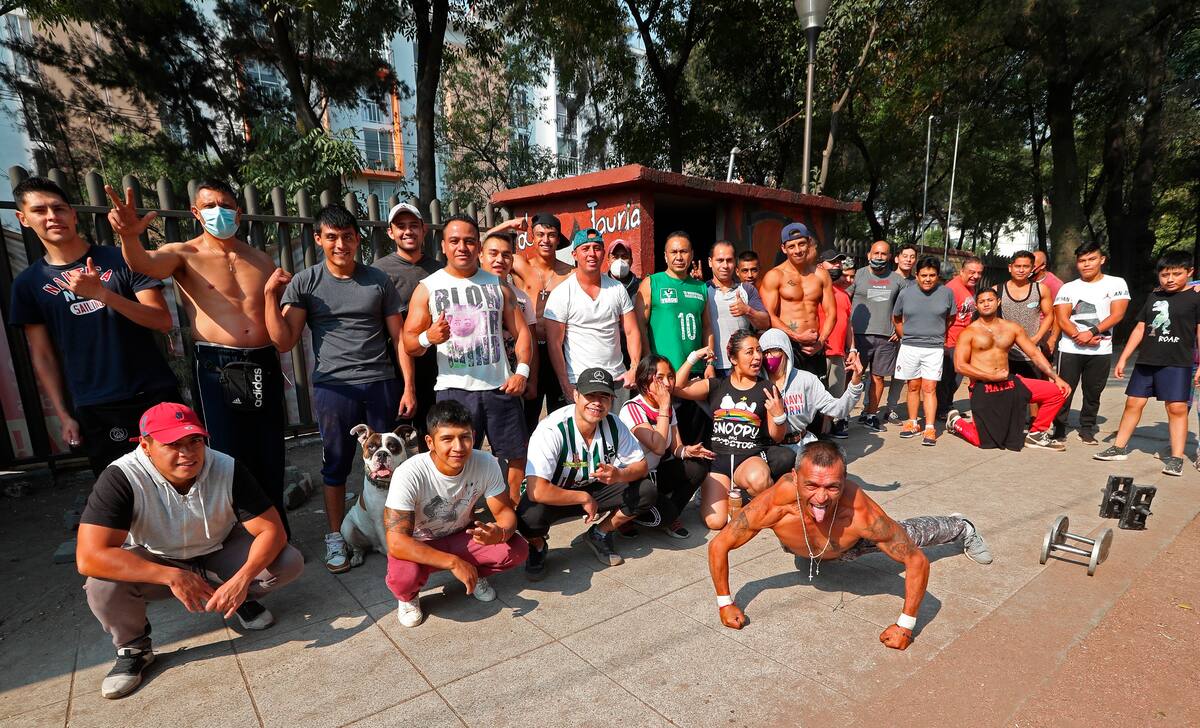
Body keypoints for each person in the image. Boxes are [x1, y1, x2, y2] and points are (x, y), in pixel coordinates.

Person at [77, 402, 302, 699]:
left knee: (287, 560)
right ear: (145, 445)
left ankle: (238, 598)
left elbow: (272, 530)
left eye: (195, 441)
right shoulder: (122, 477)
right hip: (155, 556)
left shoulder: (225, 466)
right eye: (173, 444)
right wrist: (169, 575)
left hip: (218, 549)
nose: (188, 452)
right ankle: (134, 647)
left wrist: (242, 579)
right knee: (101, 582)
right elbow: (89, 556)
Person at [108, 180, 290, 534]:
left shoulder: (261, 258)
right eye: (209, 205)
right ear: (196, 212)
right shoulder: (183, 253)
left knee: (270, 451)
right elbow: (146, 263)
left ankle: (277, 533)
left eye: (225, 204)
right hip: (216, 364)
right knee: (224, 455)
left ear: (238, 212)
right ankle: (235, 537)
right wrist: (130, 236)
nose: (217, 211)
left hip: (262, 361)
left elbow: (274, 314)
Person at [707, 442, 991, 649]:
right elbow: (719, 545)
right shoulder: (775, 503)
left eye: (832, 487)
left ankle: (961, 527)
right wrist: (725, 604)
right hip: (803, 546)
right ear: (795, 478)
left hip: (847, 544)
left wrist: (906, 625)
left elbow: (916, 562)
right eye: (811, 486)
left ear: (845, 481)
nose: (821, 497)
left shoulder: (859, 513)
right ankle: (819, 555)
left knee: (911, 535)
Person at [263, 204, 404, 572]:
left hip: (380, 382)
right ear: (319, 239)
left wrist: (409, 388)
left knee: (390, 461)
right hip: (333, 387)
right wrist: (268, 298)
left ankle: (396, 529)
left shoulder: (378, 280)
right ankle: (335, 536)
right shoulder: (306, 282)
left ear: (357, 239)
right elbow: (283, 341)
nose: (340, 244)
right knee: (337, 462)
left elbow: (400, 338)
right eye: (331, 237)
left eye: (346, 237)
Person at [9, 177, 177, 474]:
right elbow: (43, 355)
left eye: (58, 208)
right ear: (23, 219)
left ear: (73, 214)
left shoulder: (122, 259)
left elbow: (161, 320)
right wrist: (64, 415)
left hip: (153, 392)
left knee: (182, 482)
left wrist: (103, 294)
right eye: (39, 210)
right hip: (96, 406)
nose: (51, 217)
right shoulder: (28, 284)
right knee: (122, 497)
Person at [403, 215, 533, 503]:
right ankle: (461, 519)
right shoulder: (429, 287)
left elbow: (523, 332)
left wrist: (521, 371)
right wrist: (429, 338)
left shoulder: (498, 286)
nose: (462, 247)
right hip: (454, 391)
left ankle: (509, 516)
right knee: (453, 461)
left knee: (516, 456)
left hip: (500, 388)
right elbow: (409, 341)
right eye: (455, 241)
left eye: (469, 241)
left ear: (478, 247)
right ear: (444, 246)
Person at [382, 400, 528, 627]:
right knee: (404, 578)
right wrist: (453, 562)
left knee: (516, 549)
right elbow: (397, 542)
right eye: (447, 439)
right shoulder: (409, 474)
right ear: (430, 442)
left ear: (474, 435)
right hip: (420, 542)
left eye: (465, 437)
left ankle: (476, 572)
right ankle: (408, 598)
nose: (459, 447)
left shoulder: (486, 463)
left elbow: (505, 513)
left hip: (461, 534)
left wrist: (499, 532)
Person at [517, 368, 654, 575]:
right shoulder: (552, 429)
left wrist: (619, 474)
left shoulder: (614, 424)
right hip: (557, 493)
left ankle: (600, 532)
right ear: (575, 395)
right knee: (527, 517)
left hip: (597, 487)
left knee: (646, 491)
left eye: (604, 396)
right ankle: (537, 545)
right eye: (590, 395)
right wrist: (582, 498)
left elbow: (641, 467)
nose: (597, 402)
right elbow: (537, 490)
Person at [1094, 251, 1200, 476]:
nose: (1169, 279)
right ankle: (1119, 447)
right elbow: (1141, 328)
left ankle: (1176, 458)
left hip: (1177, 362)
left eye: (1176, 274)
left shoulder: (1195, 298)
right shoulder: (1154, 297)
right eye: (1164, 274)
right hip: (1147, 361)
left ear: (1190, 273)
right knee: (1133, 403)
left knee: (1177, 408)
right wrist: (1123, 357)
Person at [671, 331, 788, 530]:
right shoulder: (717, 385)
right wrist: (694, 357)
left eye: (758, 351)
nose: (757, 357)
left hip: (749, 459)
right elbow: (676, 387)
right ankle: (726, 495)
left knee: (759, 480)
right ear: (733, 358)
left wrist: (779, 416)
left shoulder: (767, 388)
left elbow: (777, 437)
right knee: (715, 523)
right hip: (717, 462)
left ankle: (754, 499)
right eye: (749, 352)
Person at [946, 288, 1070, 451]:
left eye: (990, 300)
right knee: (985, 442)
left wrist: (1056, 377)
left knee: (1058, 391)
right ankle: (956, 422)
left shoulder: (1012, 328)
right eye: (982, 301)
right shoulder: (969, 332)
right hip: (984, 388)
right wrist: (990, 376)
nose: (986, 304)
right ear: (976, 306)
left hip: (1009, 383)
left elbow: (1034, 353)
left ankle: (1037, 434)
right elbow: (960, 366)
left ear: (998, 302)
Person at [490, 212, 573, 431]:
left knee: (561, 415)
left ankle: (562, 463)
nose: (546, 240)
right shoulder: (519, 263)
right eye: (540, 234)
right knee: (526, 416)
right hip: (529, 348)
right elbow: (484, 245)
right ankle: (525, 463)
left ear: (558, 239)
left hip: (559, 350)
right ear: (532, 238)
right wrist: (509, 224)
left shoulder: (570, 273)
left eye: (551, 235)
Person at [618, 355, 714, 539]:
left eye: (670, 377)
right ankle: (626, 513)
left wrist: (688, 451)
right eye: (659, 378)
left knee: (698, 467)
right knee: (664, 515)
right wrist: (663, 408)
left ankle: (669, 514)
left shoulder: (667, 407)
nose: (667, 383)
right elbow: (659, 447)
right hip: (633, 479)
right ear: (645, 381)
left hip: (655, 474)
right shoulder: (632, 408)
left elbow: (676, 448)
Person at [543, 228, 643, 403]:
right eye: (585, 248)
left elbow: (632, 332)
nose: (592, 254)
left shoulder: (617, 289)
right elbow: (554, 344)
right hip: (580, 382)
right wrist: (565, 384)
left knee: (616, 430)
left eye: (597, 248)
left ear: (604, 253)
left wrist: (634, 368)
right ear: (574, 254)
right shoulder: (561, 293)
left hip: (616, 381)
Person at [636, 230, 714, 442]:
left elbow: (707, 327)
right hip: (663, 376)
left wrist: (709, 363)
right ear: (665, 256)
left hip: (694, 376)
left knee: (696, 437)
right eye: (674, 252)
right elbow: (639, 326)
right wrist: (647, 361)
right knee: (666, 438)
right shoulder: (652, 283)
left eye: (684, 251)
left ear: (692, 255)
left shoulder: (701, 287)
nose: (679, 257)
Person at [373, 202, 440, 443]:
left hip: (434, 365)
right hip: (392, 365)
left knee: (431, 435)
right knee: (392, 440)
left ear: (424, 230)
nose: (408, 231)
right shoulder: (378, 272)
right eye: (401, 226)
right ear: (390, 232)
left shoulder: (440, 270)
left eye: (413, 226)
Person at [1051, 242, 1130, 445]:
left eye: (1091, 259)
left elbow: (1118, 314)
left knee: (1093, 392)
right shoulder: (1069, 287)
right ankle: (1058, 429)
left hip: (1101, 348)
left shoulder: (1116, 283)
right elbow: (1062, 317)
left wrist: (1093, 332)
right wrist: (1079, 336)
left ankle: (1087, 429)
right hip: (1069, 348)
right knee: (1063, 390)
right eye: (1082, 261)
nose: (1086, 264)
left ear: (1102, 260)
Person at [759, 328, 864, 452]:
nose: (769, 356)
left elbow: (839, 409)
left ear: (785, 351)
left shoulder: (807, 380)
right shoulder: (757, 383)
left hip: (801, 447)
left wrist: (855, 382)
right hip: (770, 450)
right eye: (765, 352)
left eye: (774, 350)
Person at [892, 256, 956, 445]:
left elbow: (950, 319)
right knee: (913, 386)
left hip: (934, 349)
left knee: (929, 388)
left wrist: (936, 335)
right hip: (909, 347)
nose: (928, 279)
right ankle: (912, 422)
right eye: (924, 275)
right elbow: (896, 317)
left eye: (932, 275)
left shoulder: (947, 293)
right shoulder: (905, 293)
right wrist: (907, 336)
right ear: (917, 275)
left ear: (938, 276)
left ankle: (929, 427)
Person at [760, 223, 836, 382]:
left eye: (801, 244)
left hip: (815, 347)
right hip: (788, 345)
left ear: (809, 243)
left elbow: (831, 313)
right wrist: (797, 336)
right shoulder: (775, 276)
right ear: (783, 248)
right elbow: (769, 316)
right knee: (789, 398)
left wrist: (821, 342)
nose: (798, 250)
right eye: (791, 246)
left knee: (818, 398)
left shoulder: (821, 275)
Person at [481, 231, 539, 434]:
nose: (500, 260)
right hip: (477, 381)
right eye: (493, 253)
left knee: (511, 443)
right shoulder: (467, 291)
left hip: (512, 381)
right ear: (481, 256)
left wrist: (531, 378)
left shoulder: (522, 299)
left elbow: (530, 338)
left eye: (506, 255)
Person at [847, 240, 907, 433]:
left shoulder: (898, 281)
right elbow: (841, 299)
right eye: (876, 253)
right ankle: (844, 416)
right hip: (858, 336)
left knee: (878, 378)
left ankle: (871, 415)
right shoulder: (858, 275)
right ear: (869, 255)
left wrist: (899, 330)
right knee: (853, 377)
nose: (879, 257)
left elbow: (906, 308)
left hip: (886, 337)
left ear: (890, 257)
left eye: (883, 254)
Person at [707, 241, 770, 377]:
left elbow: (765, 322)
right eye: (720, 260)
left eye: (729, 260)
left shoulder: (746, 289)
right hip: (711, 366)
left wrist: (748, 310)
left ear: (735, 263)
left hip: (742, 366)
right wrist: (709, 364)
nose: (725, 265)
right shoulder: (702, 290)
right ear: (710, 262)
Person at [935, 257, 982, 421]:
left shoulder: (971, 288)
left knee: (956, 378)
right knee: (946, 379)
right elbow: (942, 316)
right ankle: (941, 409)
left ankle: (947, 406)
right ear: (962, 271)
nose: (975, 276)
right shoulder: (951, 289)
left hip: (963, 342)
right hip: (949, 342)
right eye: (972, 272)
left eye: (979, 273)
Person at [816, 249, 857, 437]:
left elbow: (848, 325)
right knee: (817, 398)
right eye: (832, 262)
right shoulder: (813, 290)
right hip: (819, 353)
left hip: (838, 354)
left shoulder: (843, 295)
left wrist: (853, 348)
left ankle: (826, 433)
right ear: (820, 265)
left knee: (835, 396)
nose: (837, 266)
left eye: (839, 263)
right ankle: (815, 435)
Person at [996, 250, 1054, 379]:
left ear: (1032, 268)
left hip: (1032, 354)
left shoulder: (1040, 289)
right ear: (1010, 268)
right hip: (1006, 355)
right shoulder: (997, 290)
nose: (1021, 270)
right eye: (1017, 266)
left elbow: (1049, 315)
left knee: (1033, 396)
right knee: (1008, 396)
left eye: (1026, 266)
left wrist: (1038, 337)